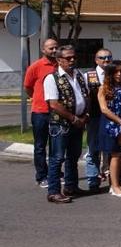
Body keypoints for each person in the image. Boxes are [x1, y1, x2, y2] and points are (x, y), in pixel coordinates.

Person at [42, 45, 89, 203]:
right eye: (68, 58)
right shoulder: (52, 78)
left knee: (73, 157)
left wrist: (84, 116)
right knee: (57, 158)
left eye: (74, 57)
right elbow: (54, 104)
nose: (72, 60)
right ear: (59, 60)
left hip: (78, 122)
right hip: (61, 124)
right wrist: (73, 118)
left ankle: (71, 186)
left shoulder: (79, 75)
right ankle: (53, 191)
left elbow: (85, 96)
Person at [23, 37, 58, 188]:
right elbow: (28, 87)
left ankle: (55, 173)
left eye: (56, 47)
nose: (54, 50)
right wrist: (37, 98)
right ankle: (41, 176)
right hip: (40, 113)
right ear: (43, 50)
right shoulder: (36, 66)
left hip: (57, 112)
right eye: (51, 48)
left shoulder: (60, 65)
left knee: (56, 145)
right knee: (40, 146)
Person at [97, 60, 121, 198]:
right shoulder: (104, 88)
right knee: (115, 155)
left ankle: (117, 182)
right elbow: (104, 109)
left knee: (119, 154)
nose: (119, 74)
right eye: (116, 71)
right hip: (111, 126)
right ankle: (114, 186)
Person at [84, 48, 112, 192]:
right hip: (95, 117)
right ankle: (93, 180)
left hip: (111, 117)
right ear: (96, 60)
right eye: (102, 58)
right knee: (93, 149)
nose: (106, 60)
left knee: (112, 148)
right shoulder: (88, 75)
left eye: (108, 57)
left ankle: (114, 178)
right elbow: (84, 97)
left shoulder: (114, 73)